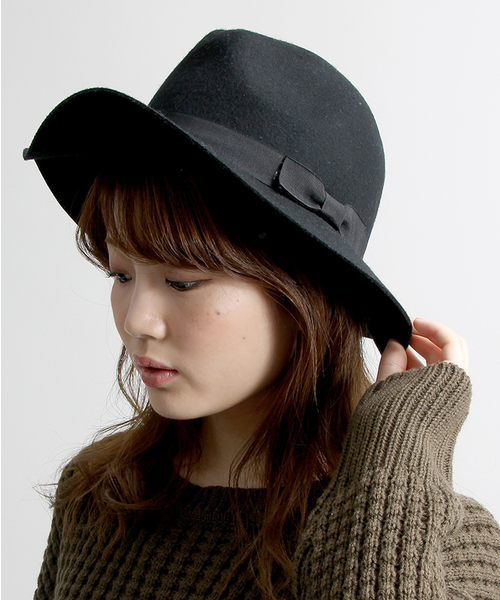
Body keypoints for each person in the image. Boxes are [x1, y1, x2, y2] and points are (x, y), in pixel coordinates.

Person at [24, 29, 500, 600]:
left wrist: (392, 463)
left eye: (182, 281)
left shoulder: (454, 549)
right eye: (121, 275)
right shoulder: (97, 498)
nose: (137, 321)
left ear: (307, 293)